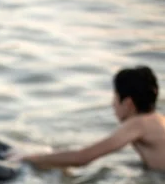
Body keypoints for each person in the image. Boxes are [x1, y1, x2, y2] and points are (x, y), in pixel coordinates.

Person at [11, 66, 165, 171]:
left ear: (128, 103)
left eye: (115, 97)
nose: (112, 104)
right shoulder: (155, 120)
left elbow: (83, 157)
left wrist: (30, 159)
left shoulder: (138, 124)